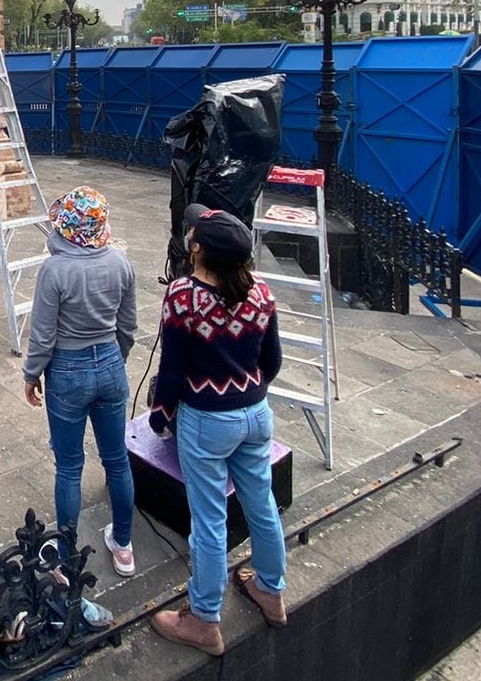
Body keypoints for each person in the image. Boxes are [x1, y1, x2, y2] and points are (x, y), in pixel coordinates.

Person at [148, 204, 287, 657]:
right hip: (255, 412)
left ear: (199, 249)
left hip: (207, 420)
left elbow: (171, 371)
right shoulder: (261, 292)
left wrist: (160, 415)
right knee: (261, 503)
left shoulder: (183, 296)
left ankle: (204, 620)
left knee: (209, 520)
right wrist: (246, 387)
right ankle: (270, 589)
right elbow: (273, 362)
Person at [22, 186, 139, 579]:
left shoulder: (54, 271)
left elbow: (43, 333)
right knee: (117, 460)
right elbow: (129, 325)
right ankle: (123, 544)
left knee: (69, 467)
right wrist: (114, 360)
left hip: (67, 371)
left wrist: (32, 373)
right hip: (109, 363)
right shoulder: (120, 263)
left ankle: (67, 551)